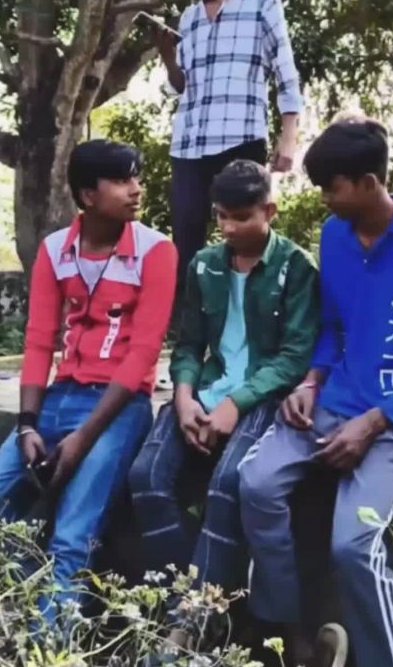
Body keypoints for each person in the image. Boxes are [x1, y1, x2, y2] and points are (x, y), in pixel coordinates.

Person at [239, 119, 393, 667]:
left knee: (353, 546)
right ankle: (292, 639)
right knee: (256, 482)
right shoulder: (335, 236)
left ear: (369, 182)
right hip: (331, 403)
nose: (323, 198)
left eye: (331, 187)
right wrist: (312, 380)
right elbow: (333, 329)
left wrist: (376, 422)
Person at [0, 140, 178, 621]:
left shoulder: (156, 251)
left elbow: (143, 354)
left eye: (136, 178)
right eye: (121, 180)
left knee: (72, 537)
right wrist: (27, 424)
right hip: (59, 398)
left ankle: (47, 654)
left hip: (119, 407)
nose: (136, 189)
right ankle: (23, 612)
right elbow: (40, 340)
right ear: (87, 195)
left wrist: (83, 438)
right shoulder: (55, 250)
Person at [129, 160, 319, 596]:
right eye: (221, 216)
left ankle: (196, 617)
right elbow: (189, 345)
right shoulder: (204, 265)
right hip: (205, 391)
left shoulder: (296, 267)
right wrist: (183, 398)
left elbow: (294, 357)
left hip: (262, 396)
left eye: (241, 217)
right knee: (145, 476)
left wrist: (236, 403)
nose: (229, 228)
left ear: (269, 212)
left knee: (227, 485)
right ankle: (179, 596)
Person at [148, 0, 302, 287]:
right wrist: (168, 56)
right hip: (189, 146)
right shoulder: (189, 20)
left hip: (240, 139)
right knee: (186, 244)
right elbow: (182, 86)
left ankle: (249, 315)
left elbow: (286, 74)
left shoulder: (262, 5)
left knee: (247, 239)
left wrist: (289, 138)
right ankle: (190, 321)